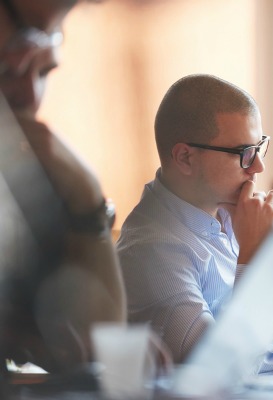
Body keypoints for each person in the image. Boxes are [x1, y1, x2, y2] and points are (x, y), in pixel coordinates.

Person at [116, 74, 273, 373]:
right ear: (185, 158)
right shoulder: (150, 252)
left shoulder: (231, 215)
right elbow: (219, 373)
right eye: (243, 153)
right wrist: (254, 258)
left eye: (259, 148)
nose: (258, 166)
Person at [0, 0, 126, 374]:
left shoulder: (24, 183)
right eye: (7, 68)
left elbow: (97, 340)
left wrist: (87, 198)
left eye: (45, 72)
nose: (31, 97)